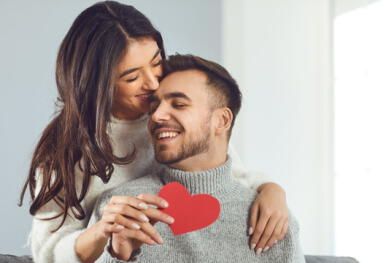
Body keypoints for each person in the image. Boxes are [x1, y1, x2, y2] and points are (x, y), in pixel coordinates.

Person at [19, 2, 288, 263]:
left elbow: (227, 175)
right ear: (97, 83)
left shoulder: (177, 118)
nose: (153, 82)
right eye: (132, 77)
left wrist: (272, 189)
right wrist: (102, 230)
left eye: (156, 61)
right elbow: (48, 254)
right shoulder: (67, 150)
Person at [90, 54, 305, 263]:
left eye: (179, 104)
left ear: (221, 120)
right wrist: (118, 256)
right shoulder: (119, 209)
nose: (156, 116)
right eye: (154, 106)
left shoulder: (272, 219)